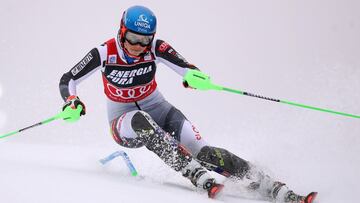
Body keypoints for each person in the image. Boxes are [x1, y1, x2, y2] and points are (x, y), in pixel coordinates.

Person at [59, 5, 317, 202]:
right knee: (141, 121)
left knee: (205, 153)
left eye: (144, 40)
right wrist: (71, 101)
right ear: (121, 31)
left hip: (158, 107)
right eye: (133, 39)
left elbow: (186, 67)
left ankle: (268, 184)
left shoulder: (156, 48)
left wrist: (195, 77)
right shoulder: (104, 53)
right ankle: (192, 172)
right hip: (123, 121)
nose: (138, 46)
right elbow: (68, 79)